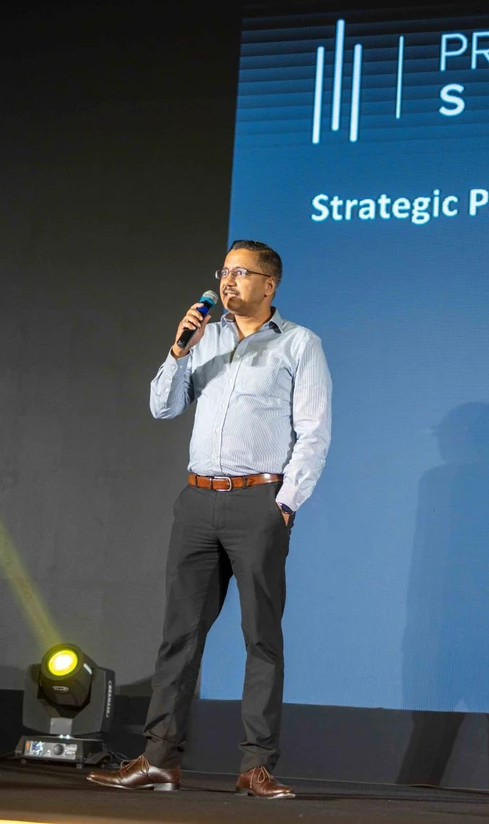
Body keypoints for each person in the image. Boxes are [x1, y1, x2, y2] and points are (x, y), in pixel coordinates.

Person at [88, 240, 331, 799]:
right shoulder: (207, 338)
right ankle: (159, 760)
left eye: (242, 272)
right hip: (198, 501)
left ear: (269, 284)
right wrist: (179, 351)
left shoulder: (299, 343)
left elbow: (314, 433)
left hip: (257, 501)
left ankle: (256, 766)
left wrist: (285, 503)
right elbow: (162, 407)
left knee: (261, 638)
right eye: (225, 271)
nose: (229, 281)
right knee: (179, 636)